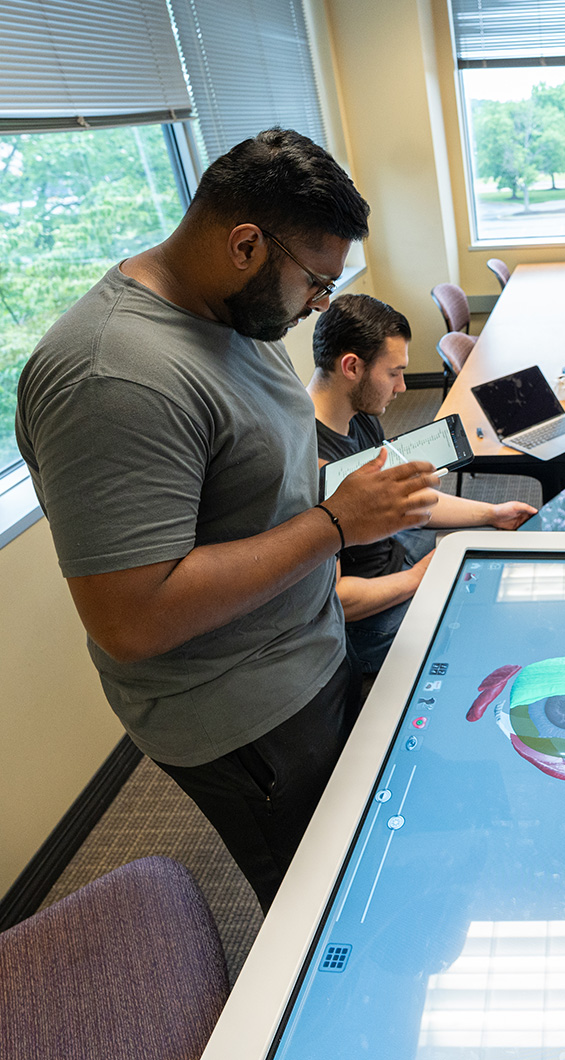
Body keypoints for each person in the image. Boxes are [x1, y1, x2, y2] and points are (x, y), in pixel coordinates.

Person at [15, 129, 443, 911]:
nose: (320, 304)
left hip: (306, 649)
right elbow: (132, 618)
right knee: (322, 899)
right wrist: (335, 527)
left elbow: (245, 476)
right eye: (316, 282)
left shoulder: (228, 313)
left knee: (366, 850)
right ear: (246, 244)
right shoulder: (114, 375)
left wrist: (354, 511)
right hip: (245, 712)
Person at [307, 293, 537, 673]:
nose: (401, 388)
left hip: (392, 558)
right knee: (490, 635)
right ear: (351, 367)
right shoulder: (310, 462)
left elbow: (409, 500)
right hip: (370, 621)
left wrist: (493, 512)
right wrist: (417, 578)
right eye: (393, 373)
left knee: (493, 552)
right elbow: (335, 600)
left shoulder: (358, 415)